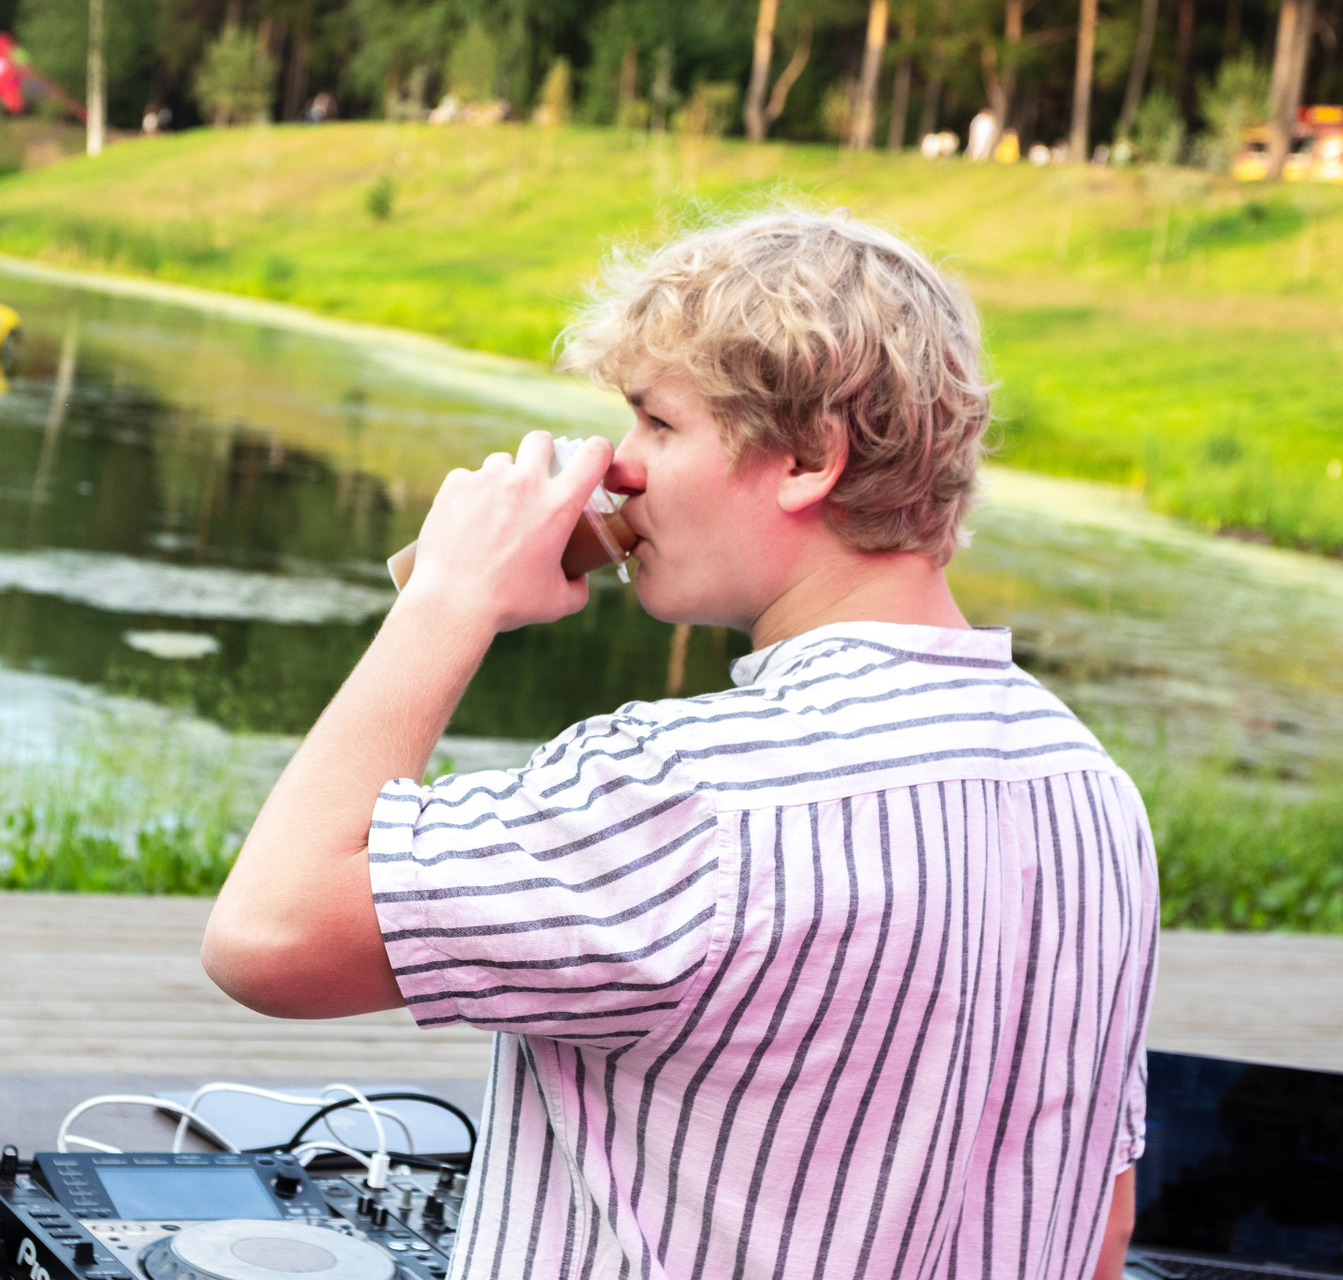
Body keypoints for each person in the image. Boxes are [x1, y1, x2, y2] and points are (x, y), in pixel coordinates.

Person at [202, 209, 1157, 1280]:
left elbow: (266, 933)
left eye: (656, 421)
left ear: (809, 458)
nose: (616, 468)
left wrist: (449, 599)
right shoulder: (1093, 791)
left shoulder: (690, 794)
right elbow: (1100, 1227)